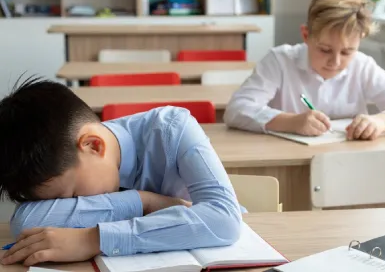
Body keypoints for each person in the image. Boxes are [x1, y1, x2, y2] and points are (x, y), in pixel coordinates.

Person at [0, 76, 241, 266]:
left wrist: (94, 239)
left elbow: (224, 220)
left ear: (94, 146)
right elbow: (26, 222)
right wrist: (143, 202)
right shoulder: (71, 157)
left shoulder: (173, 129)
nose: (78, 204)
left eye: (72, 196)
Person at [224, 0, 385, 140]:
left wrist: (382, 122)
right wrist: (291, 122)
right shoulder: (279, 61)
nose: (335, 62)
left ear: (360, 40)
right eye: (325, 50)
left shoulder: (363, 66)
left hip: (348, 162)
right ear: (306, 35)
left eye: (347, 52)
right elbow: (237, 109)